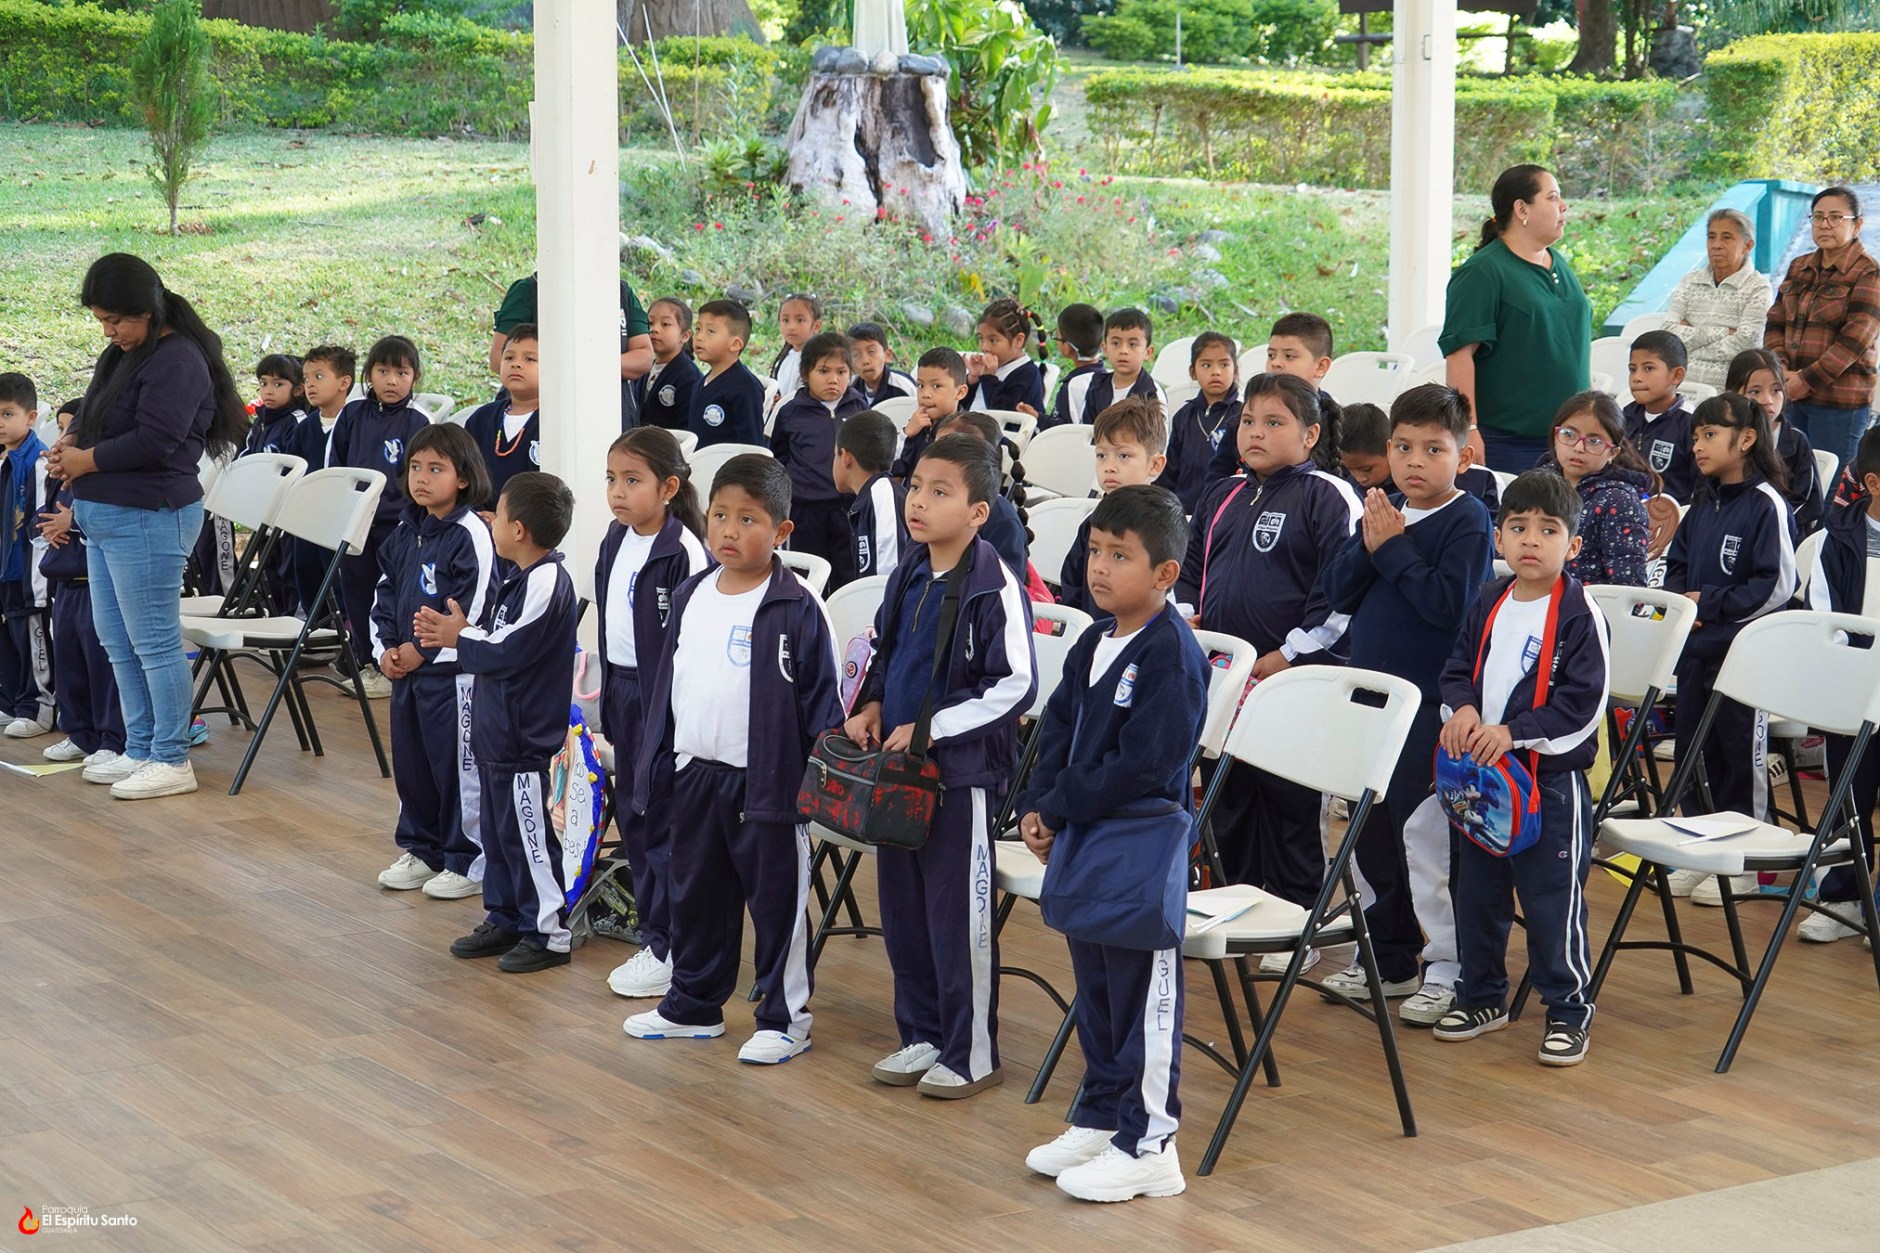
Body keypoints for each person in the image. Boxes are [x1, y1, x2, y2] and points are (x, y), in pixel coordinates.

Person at [1016, 484, 1207, 1203]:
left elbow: (1144, 764)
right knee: (1094, 988)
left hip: (1138, 842)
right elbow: (1057, 728)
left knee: (1141, 999)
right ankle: (1102, 1113)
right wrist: (1039, 803)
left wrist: (1062, 805)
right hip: (1085, 833)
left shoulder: (1170, 653)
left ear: (1163, 574)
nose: (1099, 568)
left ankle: (1151, 1140)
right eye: (1095, 551)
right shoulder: (1097, 638)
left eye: (1119, 556)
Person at [623, 455, 841, 1064]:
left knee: (775, 905)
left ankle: (783, 1016)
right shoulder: (692, 593)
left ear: (781, 532)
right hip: (696, 773)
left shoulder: (797, 608)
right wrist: (658, 762)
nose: (729, 530)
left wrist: (809, 784)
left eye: (749, 519)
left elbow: (823, 706)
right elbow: (669, 681)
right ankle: (693, 1004)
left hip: (767, 787)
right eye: (720, 514)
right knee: (697, 895)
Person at [846, 434, 1037, 1098]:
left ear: (979, 512)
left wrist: (931, 730)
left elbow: (1016, 684)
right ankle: (921, 1031)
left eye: (939, 491)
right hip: (901, 778)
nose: (917, 502)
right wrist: (870, 702)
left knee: (959, 916)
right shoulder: (908, 569)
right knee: (902, 911)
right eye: (915, 486)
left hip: (962, 779)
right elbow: (883, 646)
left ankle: (973, 1049)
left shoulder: (993, 583)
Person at [1320, 385, 1494, 1028]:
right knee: (1371, 831)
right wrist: (1376, 541)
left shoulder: (1468, 519)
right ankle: (1387, 956)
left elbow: (1448, 606)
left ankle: (1448, 968)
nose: (1414, 461)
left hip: (1429, 705)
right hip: (1369, 702)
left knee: (1425, 838)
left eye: (1432, 449)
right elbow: (1337, 589)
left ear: (1463, 455)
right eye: (1402, 447)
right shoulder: (1383, 507)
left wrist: (1389, 548)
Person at [51, 254, 248, 800]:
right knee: (118, 640)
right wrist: (68, 445)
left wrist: (85, 462)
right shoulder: (123, 354)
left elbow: (156, 440)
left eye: (117, 320)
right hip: (107, 516)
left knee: (155, 643)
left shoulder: (178, 359)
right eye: (101, 321)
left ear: (149, 307)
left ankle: (172, 757)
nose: (110, 331)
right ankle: (140, 746)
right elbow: (96, 415)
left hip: (150, 515)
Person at [1433, 469, 1610, 1068]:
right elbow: (1457, 668)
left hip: (1549, 785)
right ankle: (1482, 994)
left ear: (1573, 545)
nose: (1531, 539)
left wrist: (1514, 734)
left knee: (1550, 899)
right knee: (1476, 891)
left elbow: (1583, 708)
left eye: (1548, 529)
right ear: (1499, 537)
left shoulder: (1581, 612)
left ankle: (1567, 1008)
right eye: (1517, 527)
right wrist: (1458, 709)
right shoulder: (1489, 598)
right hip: (1484, 783)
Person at [1176, 373, 1360, 933]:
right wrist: (1190, 625)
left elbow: (1342, 593)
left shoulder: (1326, 495)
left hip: (1291, 680)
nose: (1255, 432)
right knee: (1227, 797)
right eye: (1249, 421)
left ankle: (1296, 921)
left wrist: (1289, 655)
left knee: (1287, 803)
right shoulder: (1222, 493)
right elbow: (1186, 574)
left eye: (1273, 422)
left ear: (1310, 435)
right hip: (1225, 675)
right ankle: (1232, 910)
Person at [418, 472, 581, 973]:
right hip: (495, 734)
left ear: (521, 530)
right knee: (498, 833)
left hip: (523, 738)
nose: (491, 522)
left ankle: (548, 932)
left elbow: (510, 649)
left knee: (528, 837)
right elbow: (494, 635)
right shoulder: (515, 576)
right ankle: (506, 915)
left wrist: (457, 637)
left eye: (499, 515)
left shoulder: (549, 579)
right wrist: (467, 631)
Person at [1666, 394, 1798, 901]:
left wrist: (1711, 603)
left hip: (1744, 656)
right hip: (1698, 648)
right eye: (1695, 435)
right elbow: (1678, 565)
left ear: (1745, 439)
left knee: (1739, 753)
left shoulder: (1766, 503)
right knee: (1693, 751)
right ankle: (1702, 848)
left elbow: (1778, 586)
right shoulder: (1703, 501)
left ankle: (1744, 859)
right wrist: (1683, 602)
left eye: (1709, 435)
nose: (1697, 445)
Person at [597, 427, 711, 1002]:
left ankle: (671, 945)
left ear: (669, 487)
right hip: (620, 689)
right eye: (612, 479)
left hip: (660, 699)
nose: (618, 492)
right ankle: (654, 929)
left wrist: (668, 712)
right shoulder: (615, 539)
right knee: (634, 816)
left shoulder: (683, 549)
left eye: (632, 480)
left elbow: (687, 643)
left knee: (660, 817)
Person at [370, 423, 497, 902]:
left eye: (436, 469)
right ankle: (423, 850)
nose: (422, 478)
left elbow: (473, 607)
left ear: (462, 477)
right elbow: (383, 593)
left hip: (452, 676)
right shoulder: (404, 530)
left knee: (455, 768)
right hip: (406, 671)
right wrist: (385, 648)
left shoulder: (471, 534)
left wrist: (421, 651)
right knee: (413, 764)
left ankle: (468, 857)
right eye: (416, 468)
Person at [1441, 165, 1592, 474]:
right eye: (1552, 198)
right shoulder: (1484, 271)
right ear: (1522, 208)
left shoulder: (1557, 263)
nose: (1563, 206)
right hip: (1509, 443)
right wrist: (1468, 430)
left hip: (1570, 440)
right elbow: (1460, 355)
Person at [1798, 427, 1880, 943]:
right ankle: (1844, 897)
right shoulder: (1836, 538)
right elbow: (1823, 620)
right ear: (1873, 482)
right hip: (1851, 695)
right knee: (1850, 796)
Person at [329, 335, 432, 700]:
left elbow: (426, 476)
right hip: (357, 521)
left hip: (398, 525)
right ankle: (367, 662)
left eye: (401, 372)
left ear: (414, 378)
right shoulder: (353, 413)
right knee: (356, 589)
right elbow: (335, 465)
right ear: (369, 374)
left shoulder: (419, 421)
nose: (391, 380)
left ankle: (397, 660)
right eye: (383, 371)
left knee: (394, 592)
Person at [34, 399, 125, 768]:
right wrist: (51, 526)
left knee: (101, 663)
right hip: (65, 580)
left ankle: (111, 737)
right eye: (59, 428)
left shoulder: (105, 476)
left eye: (70, 430)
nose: (62, 438)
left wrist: (72, 521)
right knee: (69, 658)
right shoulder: (58, 476)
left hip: (96, 580)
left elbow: (107, 519)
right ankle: (79, 731)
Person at [1766, 186, 1879, 476]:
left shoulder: (1869, 273)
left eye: (1835, 217)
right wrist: (1782, 371)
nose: (1825, 224)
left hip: (1839, 402)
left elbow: (1855, 340)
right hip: (1791, 395)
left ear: (1857, 224)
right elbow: (1775, 321)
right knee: (1789, 479)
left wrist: (1804, 380)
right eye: (1818, 217)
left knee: (1830, 489)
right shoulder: (1798, 267)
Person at [490, 271, 652, 428]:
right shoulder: (529, 290)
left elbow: (644, 356)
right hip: (540, 420)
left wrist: (584, 367)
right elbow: (499, 356)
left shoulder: (621, 292)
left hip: (613, 418)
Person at [770, 331, 868, 585]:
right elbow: (779, 457)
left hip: (849, 510)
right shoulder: (790, 412)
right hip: (804, 511)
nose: (833, 380)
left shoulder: (860, 410)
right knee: (803, 577)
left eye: (841, 372)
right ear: (805, 374)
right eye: (823, 371)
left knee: (847, 575)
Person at [1057, 398, 1167, 616]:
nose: (1109, 467)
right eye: (1101, 455)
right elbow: (1073, 584)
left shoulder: (1162, 525)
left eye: (1124, 456)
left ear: (1155, 465)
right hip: (1091, 636)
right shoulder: (1092, 522)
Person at [1206, 313, 1342, 483]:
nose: (1276, 363)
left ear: (1321, 366)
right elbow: (1217, 478)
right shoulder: (1241, 419)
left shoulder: (1335, 421)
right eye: (1271, 355)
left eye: (1289, 356)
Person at [1542, 391, 1656, 587]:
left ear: (1613, 452)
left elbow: (1628, 588)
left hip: (1587, 609)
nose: (1578, 447)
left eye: (1594, 441)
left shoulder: (1620, 501)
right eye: (1569, 434)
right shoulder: (1539, 482)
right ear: (1555, 435)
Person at [1666, 208, 1772, 392]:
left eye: (1726, 237)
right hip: (1681, 390)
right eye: (1711, 237)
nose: (1716, 245)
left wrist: (1690, 339)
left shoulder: (1758, 287)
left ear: (1747, 246)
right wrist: (1724, 332)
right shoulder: (1690, 281)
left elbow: (1745, 345)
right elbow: (1668, 334)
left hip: (1727, 394)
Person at [0, 371, 52, 739]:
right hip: (5, 565)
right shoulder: (5, 459)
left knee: (30, 631)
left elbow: (41, 523)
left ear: (30, 417)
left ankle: (39, 706)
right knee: (7, 636)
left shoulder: (40, 462)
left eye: (6, 414)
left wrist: (38, 576)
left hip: (29, 569)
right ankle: (9, 700)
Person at [1339, 401, 1502, 516]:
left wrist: (1390, 542)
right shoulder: (1350, 489)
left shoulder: (1477, 488)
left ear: (1463, 459)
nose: (1359, 478)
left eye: (1434, 450)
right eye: (1404, 448)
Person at [288, 344, 355, 616]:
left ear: (344, 382)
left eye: (318, 376)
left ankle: (344, 624)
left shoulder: (355, 422)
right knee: (305, 566)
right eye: (305, 378)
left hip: (341, 516)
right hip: (309, 516)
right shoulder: (305, 427)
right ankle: (314, 625)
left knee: (338, 574)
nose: (309, 385)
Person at [1728, 347, 1820, 534]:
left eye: (1776, 390)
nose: (1768, 400)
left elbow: (1808, 504)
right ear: (1732, 394)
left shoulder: (1796, 441)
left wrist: (1769, 524)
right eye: (1755, 392)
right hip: (1731, 528)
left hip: (1781, 533)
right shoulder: (1724, 437)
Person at [933, 411, 1029, 580]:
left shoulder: (1002, 521)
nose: (934, 460)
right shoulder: (930, 503)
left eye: (947, 453)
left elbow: (1006, 586)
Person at [462, 324, 541, 512]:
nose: (516, 364)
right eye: (509, 357)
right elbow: (464, 473)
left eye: (530, 359)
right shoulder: (482, 418)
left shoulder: (554, 422)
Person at [1160, 332, 1239, 513]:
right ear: (1193, 372)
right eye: (1206, 365)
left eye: (1224, 364)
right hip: (1183, 510)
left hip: (1226, 511)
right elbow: (1170, 471)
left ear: (1235, 370)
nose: (1216, 371)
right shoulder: (1183, 417)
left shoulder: (1243, 416)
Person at [1621, 329, 1697, 506]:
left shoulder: (1690, 425)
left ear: (1676, 375)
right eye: (1632, 369)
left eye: (1648, 368)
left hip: (1671, 521)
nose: (1637, 378)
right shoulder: (1624, 417)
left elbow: (1701, 487)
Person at [835, 410, 909, 582]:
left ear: (846, 457)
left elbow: (886, 577)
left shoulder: (881, 495)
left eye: (834, 455)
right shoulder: (873, 494)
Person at [688, 300, 767, 448]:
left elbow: (751, 444)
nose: (699, 337)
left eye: (710, 331)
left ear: (735, 344)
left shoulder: (745, 387)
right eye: (698, 329)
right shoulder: (700, 383)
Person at [1074, 308, 1168, 427]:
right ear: (1105, 348)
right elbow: (1087, 432)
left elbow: (1158, 442)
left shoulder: (1152, 393)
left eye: (1132, 344)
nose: (1123, 351)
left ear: (1148, 352)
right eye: (1116, 343)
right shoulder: (1096, 385)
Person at [895, 347, 969, 480]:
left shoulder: (965, 432)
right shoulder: (918, 425)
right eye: (920, 386)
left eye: (936, 386)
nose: (925, 395)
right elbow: (896, 470)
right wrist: (906, 434)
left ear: (960, 392)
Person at [966, 298, 1045, 415]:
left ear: (1018, 340)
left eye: (993, 340)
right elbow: (964, 405)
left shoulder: (1027, 374)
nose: (984, 347)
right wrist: (973, 379)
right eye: (981, 338)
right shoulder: (991, 367)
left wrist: (988, 378)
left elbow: (1005, 415)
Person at [1041, 302, 1106, 429]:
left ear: (1067, 348)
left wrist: (1038, 418)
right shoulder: (1107, 379)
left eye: (1057, 336)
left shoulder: (1072, 387)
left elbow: (1060, 431)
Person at [638, 297, 699, 431]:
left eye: (665, 324)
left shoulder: (689, 375)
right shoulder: (643, 369)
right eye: (650, 323)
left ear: (685, 335)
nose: (654, 329)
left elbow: (687, 426)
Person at [768, 293, 824, 418]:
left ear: (816, 326)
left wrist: (786, 402)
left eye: (800, 320)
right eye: (785, 320)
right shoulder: (784, 359)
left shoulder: (820, 361)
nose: (791, 327)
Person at [244, 354, 309, 457]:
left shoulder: (297, 422)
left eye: (278, 384)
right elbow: (247, 455)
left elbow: (295, 463)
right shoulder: (260, 421)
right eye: (263, 384)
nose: (268, 391)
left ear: (298, 390)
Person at [848, 323, 914, 408]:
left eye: (871, 352)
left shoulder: (903, 386)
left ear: (887, 355)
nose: (865, 361)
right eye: (856, 355)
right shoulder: (849, 389)